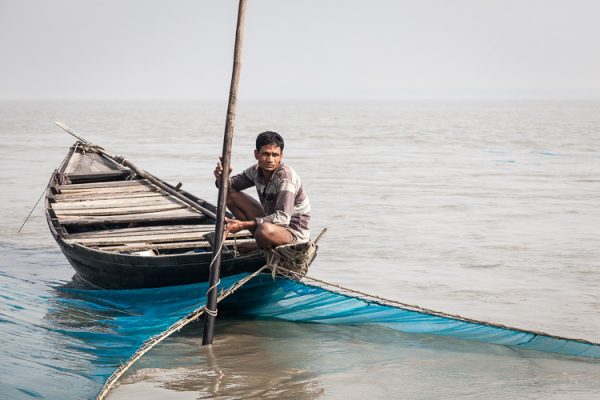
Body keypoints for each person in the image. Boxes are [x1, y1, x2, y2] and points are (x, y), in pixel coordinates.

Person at [214, 131, 310, 249]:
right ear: (256, 154)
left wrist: (243, 225)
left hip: (293, 234)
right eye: (266, 154)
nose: (270, 159)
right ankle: (261, 240)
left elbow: (283, 219)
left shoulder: (286, 178)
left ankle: (260, 244)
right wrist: (222, 177)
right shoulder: (255, 171)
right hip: (271, 225)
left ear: (281, 156)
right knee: (229, 196)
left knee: (263, 230)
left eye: (275, 155)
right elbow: (227, 187)